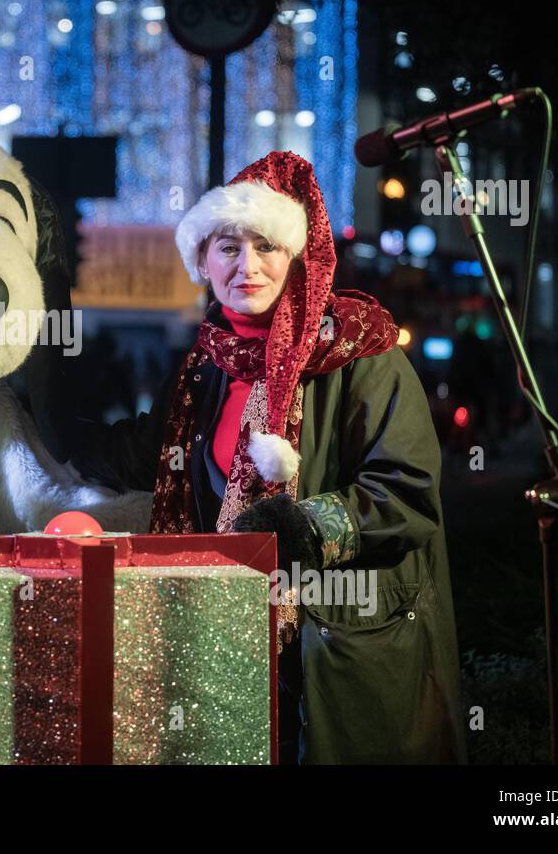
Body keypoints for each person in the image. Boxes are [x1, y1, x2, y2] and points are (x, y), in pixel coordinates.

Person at [65, 151, 466, 763]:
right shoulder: (208, 366)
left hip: (337, 647)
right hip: (230, 645)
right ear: (202, 260)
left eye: (266, 247)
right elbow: (147, 457)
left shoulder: (359, 353)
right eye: (227, 247)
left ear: (297, 258)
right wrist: (47, 422)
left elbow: (407, 494)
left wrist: (307, 527)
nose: (246, 266)